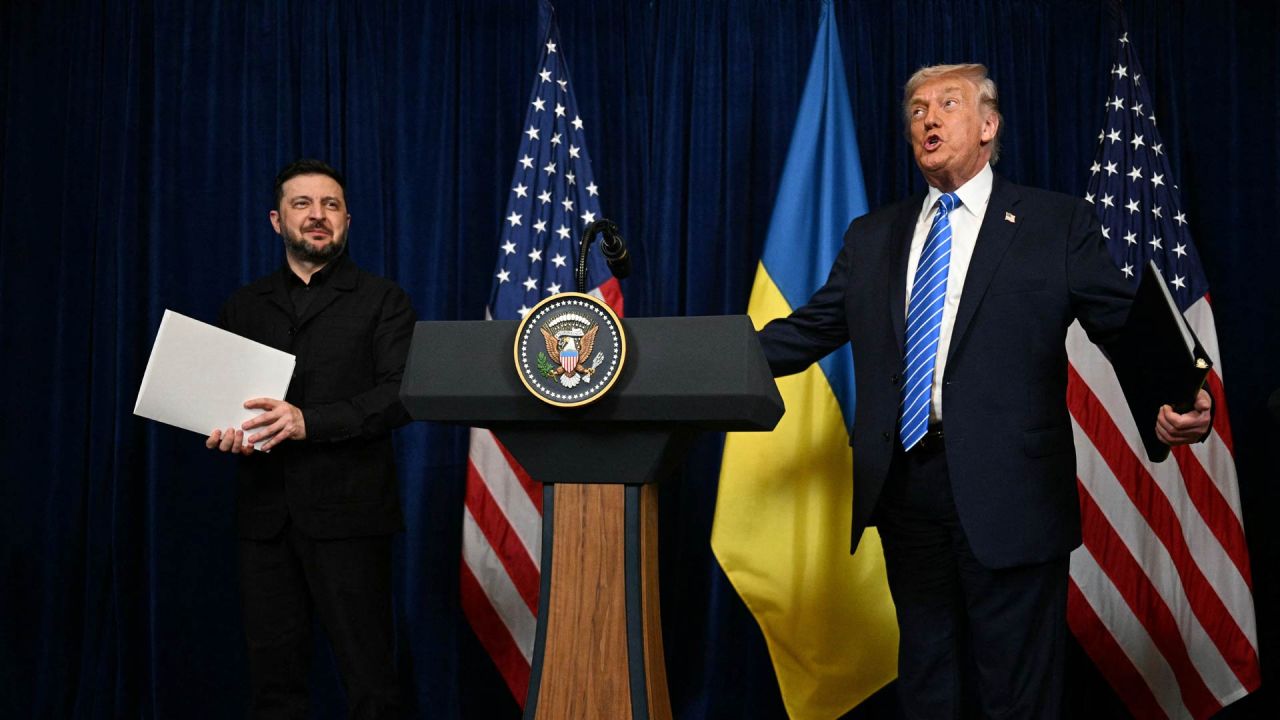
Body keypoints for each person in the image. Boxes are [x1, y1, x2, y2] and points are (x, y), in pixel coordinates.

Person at [756, 64, 1212, 719]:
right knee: (926, 676)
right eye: (916, 109)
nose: (928, 119)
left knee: (1017, 690)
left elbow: (1122, 321)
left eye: (947, 104)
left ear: (988, 126)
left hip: (1014, 493)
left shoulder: (1056, 223)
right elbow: (806, 331)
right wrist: (705, 366)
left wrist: (1177, 397)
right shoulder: (872, 236)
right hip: (906, 487)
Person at [206, 159, 415, 718]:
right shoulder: (243, 306)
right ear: (278, 221)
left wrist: (308, 422)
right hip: (264, 519)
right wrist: (225, 432)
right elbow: (223, 402)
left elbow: (400, 396)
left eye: (330, 206)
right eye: (302, 205)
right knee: (274, 685)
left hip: (351, 517)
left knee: (371, 679)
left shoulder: (383, 300)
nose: (317, 216)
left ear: (347, 220)